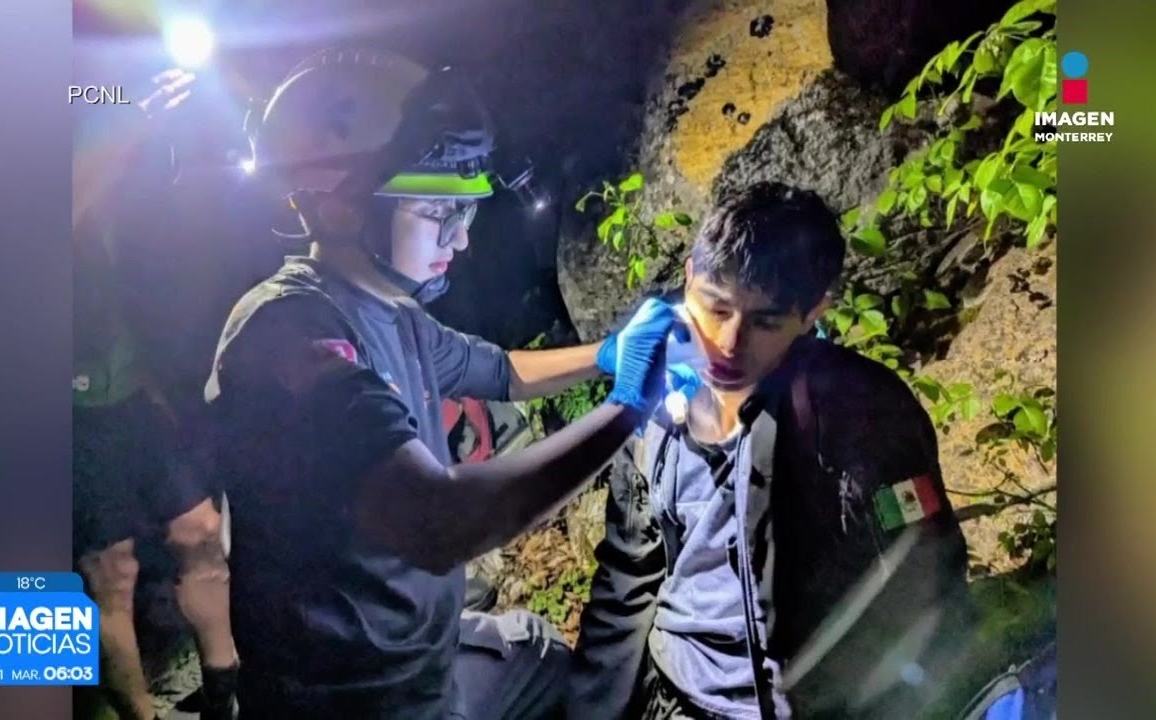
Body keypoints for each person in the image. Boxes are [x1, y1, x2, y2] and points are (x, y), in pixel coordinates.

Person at [203, 46, 682, 719]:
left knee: (540, 654)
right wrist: (627, 409)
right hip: (362, 703)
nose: (460, 242)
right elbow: (440, 522)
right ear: (339, 205)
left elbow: (501, 370)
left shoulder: (392, 309)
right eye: (437, 213)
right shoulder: (287, 337)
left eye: (466, 214)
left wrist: (609, 353)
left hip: (426, 657)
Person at [571, 182, 973, 719]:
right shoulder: (652, 399)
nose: (729, 343)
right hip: (670, 693)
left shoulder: (857, 411)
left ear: (812, 312)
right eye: (716, 306)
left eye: (764, 321)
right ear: (689, 277)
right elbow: (628, 573)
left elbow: (925, 571)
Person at [73, 68, 239, 720]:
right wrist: (132, 116)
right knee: (111, 572)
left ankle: (226, 692)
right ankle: (140, 714)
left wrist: (132, 100)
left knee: (200, 530)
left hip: (129, 392)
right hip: (66, 417)